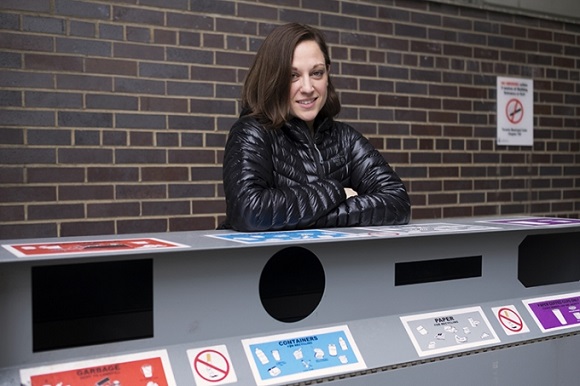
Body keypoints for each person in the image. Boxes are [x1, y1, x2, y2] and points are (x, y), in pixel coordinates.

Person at [222, 23, 410, 231]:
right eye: (293, 75)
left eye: (316, 73)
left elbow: (397, 202)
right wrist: (335, 191)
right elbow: (249, 211)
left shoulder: (345, 139)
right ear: (273, 78)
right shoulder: (252, 133)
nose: (308, 88)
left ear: (328, 73)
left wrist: (307, 217)